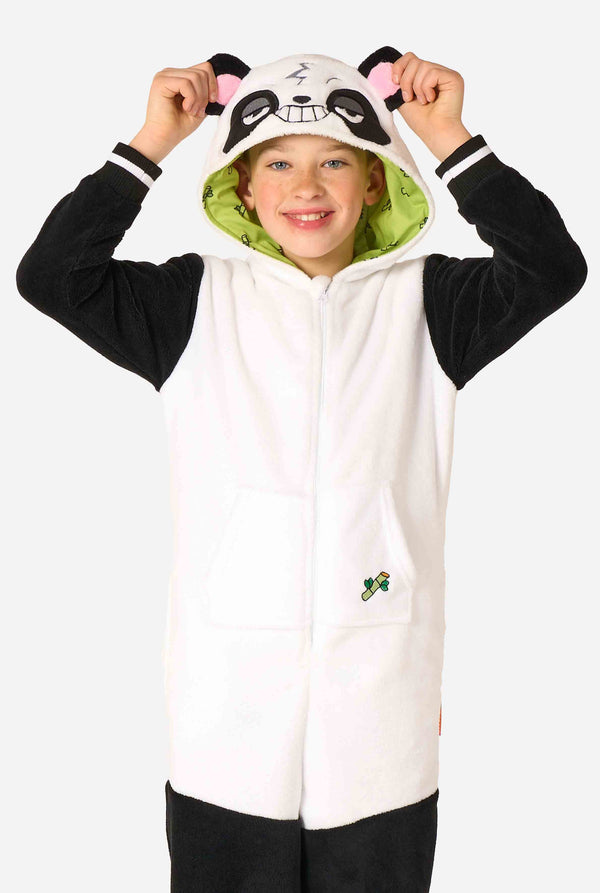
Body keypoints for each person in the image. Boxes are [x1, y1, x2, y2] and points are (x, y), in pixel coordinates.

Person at [15, 46, 587, 892]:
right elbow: (52, 277)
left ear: (377, 182)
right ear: (243, 189)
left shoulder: (431, 306)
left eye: (335, 162)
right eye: (277, 163)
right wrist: (151, 142)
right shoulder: (192, 304)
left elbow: (552, 268)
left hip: (380, 729)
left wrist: (447, 135)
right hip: (226, 731)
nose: (306, 186)